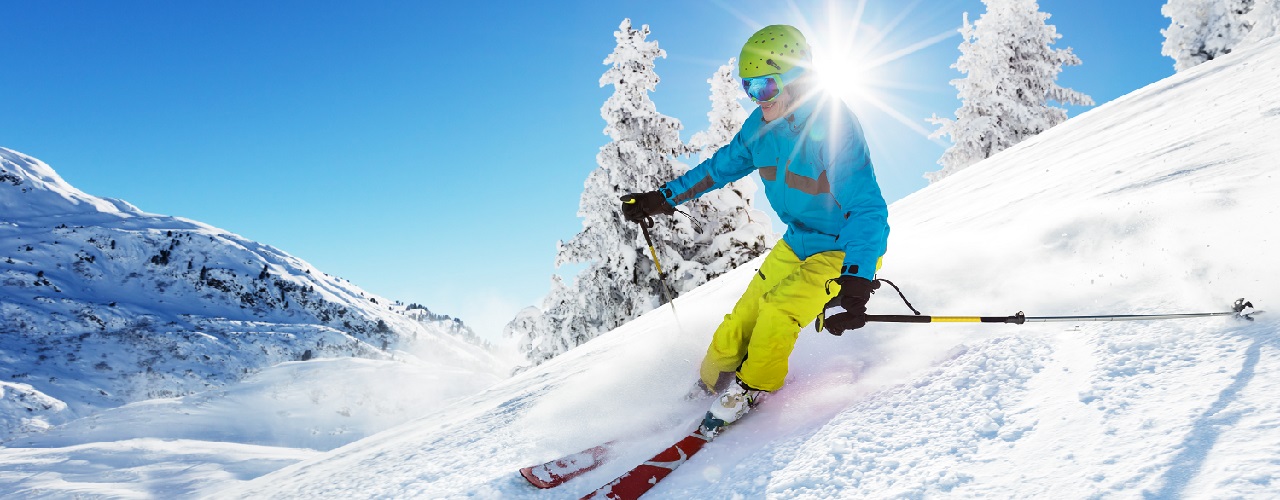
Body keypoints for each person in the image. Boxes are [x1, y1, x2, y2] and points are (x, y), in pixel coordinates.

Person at [620, 25, 889, 433]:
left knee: (778, 312)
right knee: (739, 323)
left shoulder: (832, 125)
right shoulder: (758, 129)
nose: (755, 98)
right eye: (748, 87)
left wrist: (856, 279)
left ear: (797, 79)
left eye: (765, 87)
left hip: (842, 246)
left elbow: (867, 208)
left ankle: (754, 388)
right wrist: (663, 197)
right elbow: (718, 168)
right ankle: (709, 385)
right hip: (798, 240)